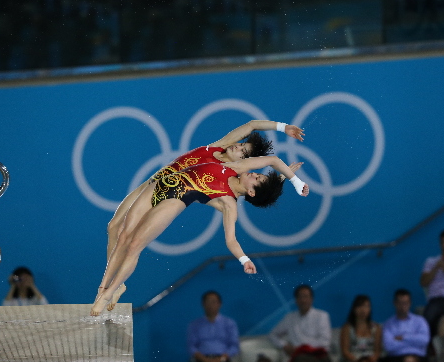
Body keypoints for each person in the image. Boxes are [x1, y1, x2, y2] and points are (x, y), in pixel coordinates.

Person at [104, 120, 304, 303]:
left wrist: (280, 180)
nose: (237, 147)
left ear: (244, 164)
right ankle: (116, 285)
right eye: (242, 145)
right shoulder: (219, 145)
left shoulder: (228, 171)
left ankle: (111, 287)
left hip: (176, 192)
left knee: (129, 237)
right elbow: (251, 125)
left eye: (242, 152)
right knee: (113, 227)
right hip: (153, 183)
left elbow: (252, 188)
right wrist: (282, 127)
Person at [269, 284, 331, 362]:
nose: (303, 300)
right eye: (300, 297)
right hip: (299, 356)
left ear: (312, 299)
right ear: (296, 300)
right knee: (300, 359)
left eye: (305, 297)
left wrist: (300, 348)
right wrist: (284, 345)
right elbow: (273, 334)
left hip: (318, 354)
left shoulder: (322, 316)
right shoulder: (290, 318)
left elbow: (324, 341)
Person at [188, 290, 239, 362]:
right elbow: (191, 347)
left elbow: (234, 346)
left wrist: (221, 359)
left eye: (214, 302)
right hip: (202, 359)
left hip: (222, 359)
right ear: (203, 304)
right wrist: (205, 360)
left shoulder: (229, 323)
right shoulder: (194, 325)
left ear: (220, 304)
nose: (210, 305)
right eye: (208, 302)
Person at [382, 288, 430, 362]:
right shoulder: (388, 324)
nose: (403, 306)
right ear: (395, 303)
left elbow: (424, 340)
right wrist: (413, 341)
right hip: (396, 357)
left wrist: (403, 337)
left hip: (418, 357)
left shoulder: (420, 321)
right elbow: (389, 346)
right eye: (400, 303)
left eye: (405, 303)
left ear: (410, 303)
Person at [340, 295, 382, 362]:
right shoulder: (347, 328)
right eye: (360, 306)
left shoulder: (376, 328)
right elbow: (345, 352)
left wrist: (370, 360)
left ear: (370, 309)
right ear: (354, 309)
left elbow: (377, 351)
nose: (363, 310)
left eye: (366, 306)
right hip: (353, 359)